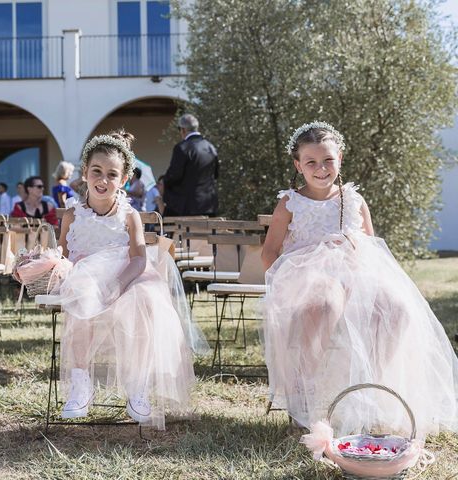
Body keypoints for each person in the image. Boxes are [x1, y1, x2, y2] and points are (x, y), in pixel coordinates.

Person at [261, 122, 458, 438]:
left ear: (339, 157)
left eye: (327, 160)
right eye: (311, 162)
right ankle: (308, 393)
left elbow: (370, 245)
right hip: (307, 276)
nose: (321, 168)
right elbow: (269, 252)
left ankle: (373, 385)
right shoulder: (290, 204)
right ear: (298, 165)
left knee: (397, 309)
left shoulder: (354, 200)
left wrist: (352, 252)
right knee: (324, 302)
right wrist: (285, 280)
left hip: (355, 272)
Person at [57, 130, 207, 429]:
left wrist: (118, 284)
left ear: (123, 180)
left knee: (147, 301)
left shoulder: (130, 215)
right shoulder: (72, 215)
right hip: (86, 273)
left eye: (112, 174)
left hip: (126, 273)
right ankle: (80, 382)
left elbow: (139, 258)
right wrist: (46, 265)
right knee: (82, 300)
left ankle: (137, 386)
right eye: (96, 172)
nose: (103, 180)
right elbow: (62, 254)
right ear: (84, 172)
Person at [163, 114, 218, 217]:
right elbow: (215, 175)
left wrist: (164, 181)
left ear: (183, 130)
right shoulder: (211, 147)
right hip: (209, 205)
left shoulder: (182, 148)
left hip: (186, 207)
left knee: (165, 225)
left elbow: (174, 176)